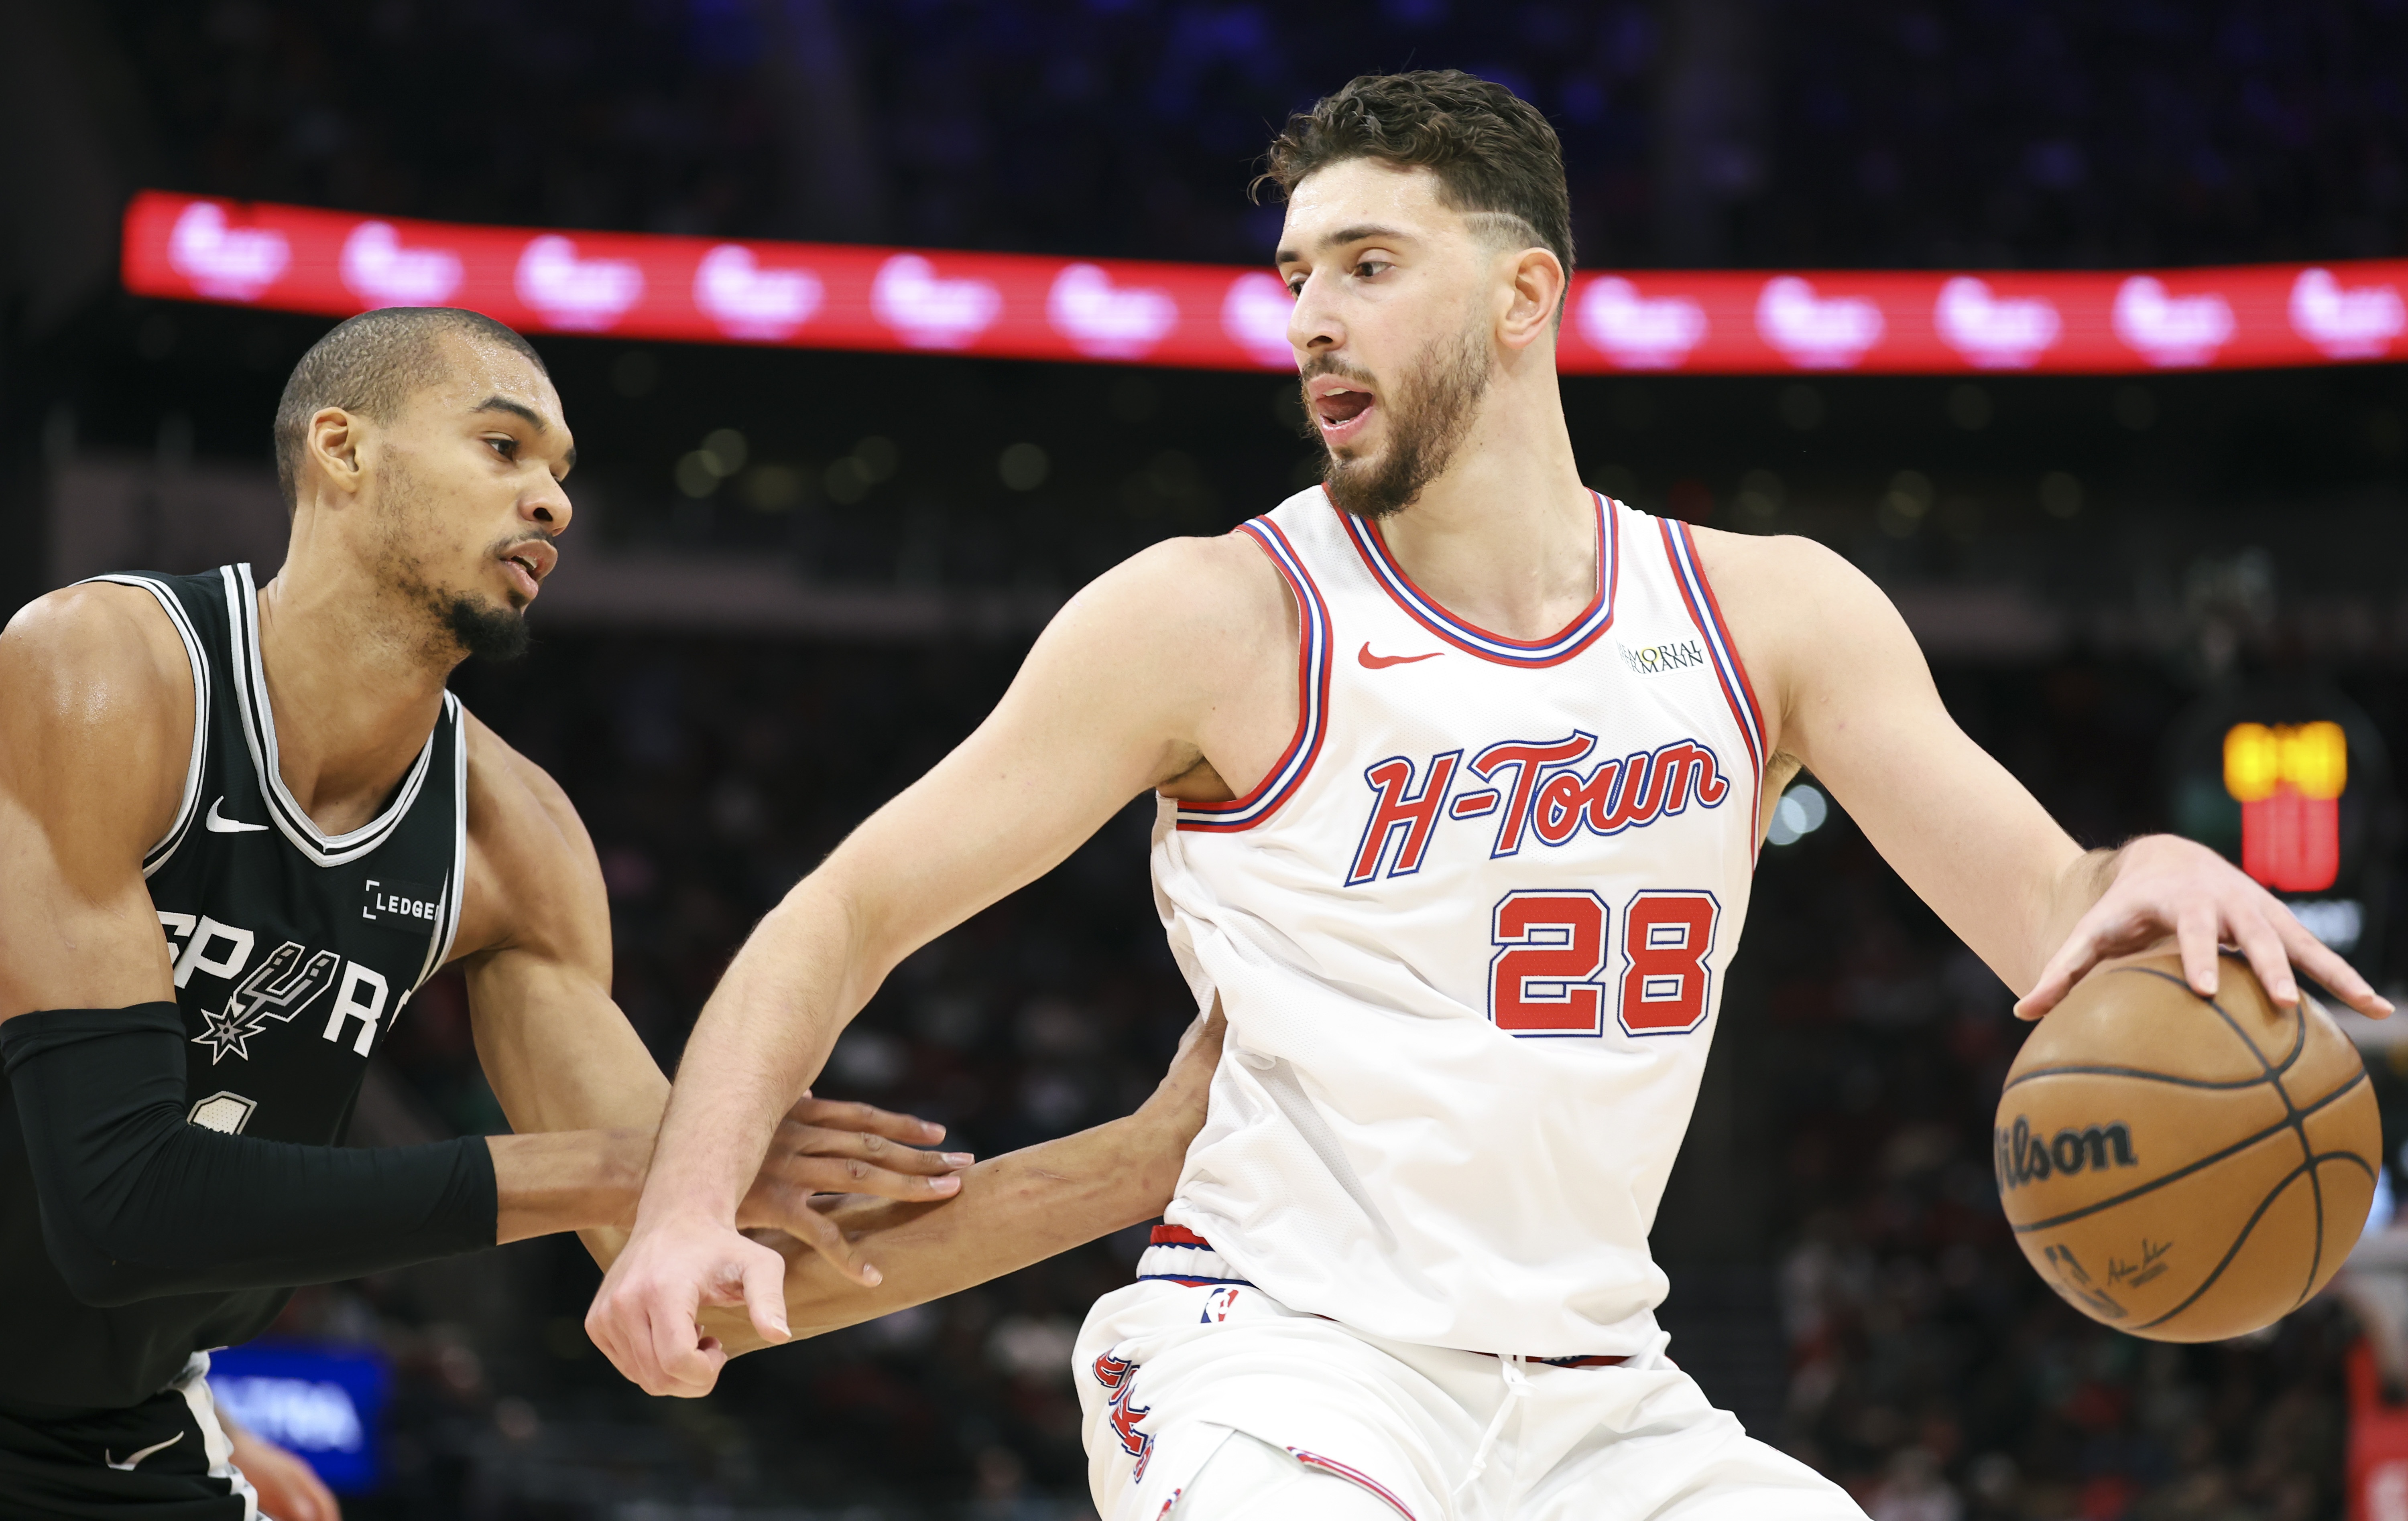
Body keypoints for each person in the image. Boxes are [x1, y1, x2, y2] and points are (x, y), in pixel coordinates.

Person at [587, 72, 2390, 1519]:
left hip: (1609, 1404)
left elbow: (2050, 904)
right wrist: (685, 1206)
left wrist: (2149, 862)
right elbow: (846, 910)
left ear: (1527, 296)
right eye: (1295, 278)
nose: (1313, 319)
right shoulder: (1217, 618)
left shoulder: (1773, 617)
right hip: (1283, 1361)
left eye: (1369, 265)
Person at [0, 305, 1220, 1519]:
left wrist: (1139, 1161)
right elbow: (120, 1210)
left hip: (122, 1427)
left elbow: (726, 1276)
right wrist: (645, 1165)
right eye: (503, 447)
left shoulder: (511, 842)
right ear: (344, 449)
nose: (553, 503)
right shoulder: (105, 670)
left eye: (563, 473)